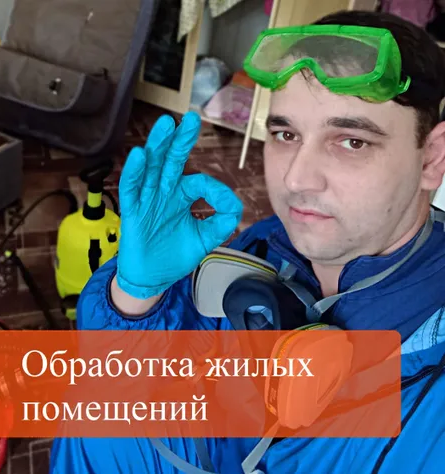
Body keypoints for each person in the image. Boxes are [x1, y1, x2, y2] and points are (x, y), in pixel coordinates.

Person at [49, 10, 445, 474]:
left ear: (432, 159)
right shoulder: (261, 250)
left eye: (351, 141)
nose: (296, 178)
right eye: (285, 134)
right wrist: (134, 300)